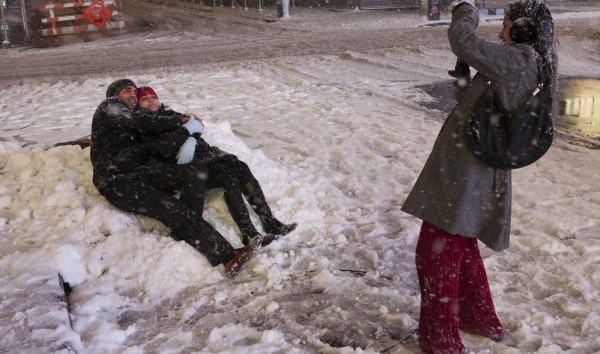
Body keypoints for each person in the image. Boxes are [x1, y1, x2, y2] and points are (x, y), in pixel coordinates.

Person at [400, 0, 557, 352]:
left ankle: (441, 339)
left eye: (507, 25)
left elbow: (462, 39)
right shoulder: (525, 61)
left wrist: (466, 9)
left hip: (467, 171)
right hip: (472, 167)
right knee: (461, 241)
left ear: (524, 31)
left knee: (437, 247)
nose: (502, 32)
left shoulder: (519, 59)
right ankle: (477, 317)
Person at [90, 79, 267, 278]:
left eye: (134, 91)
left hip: (140, 174)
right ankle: (226, 256)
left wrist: (188, 129)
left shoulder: (130, 118)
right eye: (126, 91)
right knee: (171, 208)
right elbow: (144, 123)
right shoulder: (110, 107)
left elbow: (155, 127)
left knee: (195, 170)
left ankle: (188, 232)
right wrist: (183, 123)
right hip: (116, 181)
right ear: (114, 95)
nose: (132, 94)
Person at [133, 86, 297, 246]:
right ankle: (249, 233)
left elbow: (198, 126)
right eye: (145, 99)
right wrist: (186, 133)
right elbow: (163, 149)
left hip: (206, 153)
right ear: (139, 105)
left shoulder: (170, 114)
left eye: (153, 97)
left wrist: (190, 134)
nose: (151, 101)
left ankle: (269, 221)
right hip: (190, 163)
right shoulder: (145, 125)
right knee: (228, 175)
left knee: (241, 166)